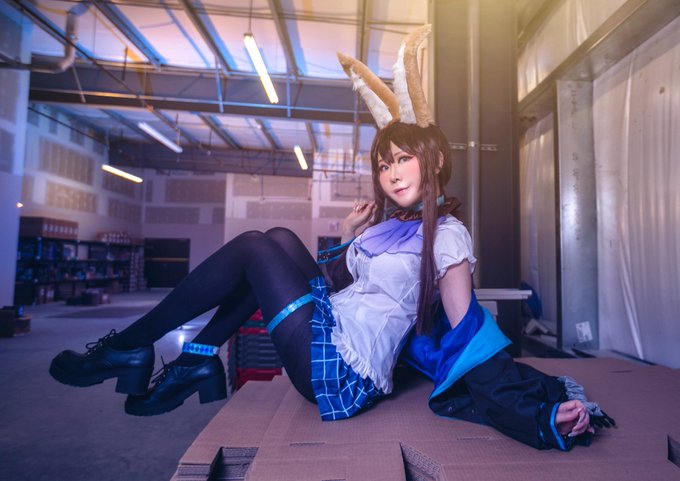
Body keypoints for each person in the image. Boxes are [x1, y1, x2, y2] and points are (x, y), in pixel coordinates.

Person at [49, 24, 612, 451]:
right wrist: (346, 237)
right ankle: (196, 356)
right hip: (332, 330)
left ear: (436, 160)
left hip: (342, 371)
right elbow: (339, 289)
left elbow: (469, 335)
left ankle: (134, 346)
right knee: (275, 237)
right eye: (383, 163)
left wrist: (533, 415)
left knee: (255, 248)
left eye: (403, 159)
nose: (391, 173)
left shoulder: (447, 237)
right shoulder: (388, 226)